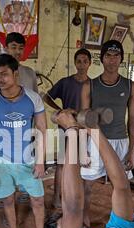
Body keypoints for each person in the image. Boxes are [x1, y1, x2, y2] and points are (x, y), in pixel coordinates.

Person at [0, 54, 47, 228]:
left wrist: (41, 161)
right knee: (8, 200)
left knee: (38, 199)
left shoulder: (33, 99)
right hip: (1, 163)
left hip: (28, 160)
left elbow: (42, 130)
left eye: (4, 74)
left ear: (15, 74)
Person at [80, 40, 134, 228]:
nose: (112, 60)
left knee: (120, 187)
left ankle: (118, 226)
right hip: (95, 141)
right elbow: (83, 118)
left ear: (121, 59)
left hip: (120, 142)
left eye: (116, 56)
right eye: (108, 56)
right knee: (87, 185)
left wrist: (132, 150)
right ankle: (84, 224)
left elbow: (133, 119)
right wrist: (82, 149)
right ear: (101, 59)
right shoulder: (90, 85)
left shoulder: (131, 86)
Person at [43, 48, 92, 208]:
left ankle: (79, 200)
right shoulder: (65, 82)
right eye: (79, 61)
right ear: (75, 63)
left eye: (85, 61)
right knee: (62, 164)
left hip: (85, 129)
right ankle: (57, 199)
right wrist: (61, 110)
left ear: (90, 63)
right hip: (66, 128)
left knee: (83, 164)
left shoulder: (93, 85)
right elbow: (46, 97)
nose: (82, 64)